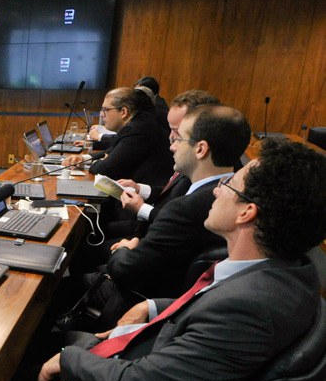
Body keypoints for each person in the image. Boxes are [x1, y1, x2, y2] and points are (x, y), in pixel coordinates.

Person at [3, 139, 325, 381]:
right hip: (162, 364)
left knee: (4, 375)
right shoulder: (288, 272)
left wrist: (68, 361)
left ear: (246, 212)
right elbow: (212, 305)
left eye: (229, 184)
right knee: (49, 342)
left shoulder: (248, 309)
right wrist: (154, 305)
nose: (216, 190)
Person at [79, 104, 251, 331]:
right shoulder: (220, 192)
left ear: (200, 149)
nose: (171, 146)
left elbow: (127, 270)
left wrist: (123, 250)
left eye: (179, 138)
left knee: (58, 288)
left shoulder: (190, 207)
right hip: (160, 288)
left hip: (138, 301)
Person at [116, 89, 221, 234]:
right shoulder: (189, 160)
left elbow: (182, 222)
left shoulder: (204, 168)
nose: (170, 138)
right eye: (170, 129)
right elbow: (173, 193)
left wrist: (142, 209)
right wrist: (140, 189)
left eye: (177, 131)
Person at [63, 87, 172, 189]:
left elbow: (105, 169)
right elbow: (111, 150)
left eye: (106, 109)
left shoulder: (137, 130)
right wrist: (84, 158)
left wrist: (97, 162)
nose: (102, 114)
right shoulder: (139, 123)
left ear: (124, 112)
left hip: (146, 197)